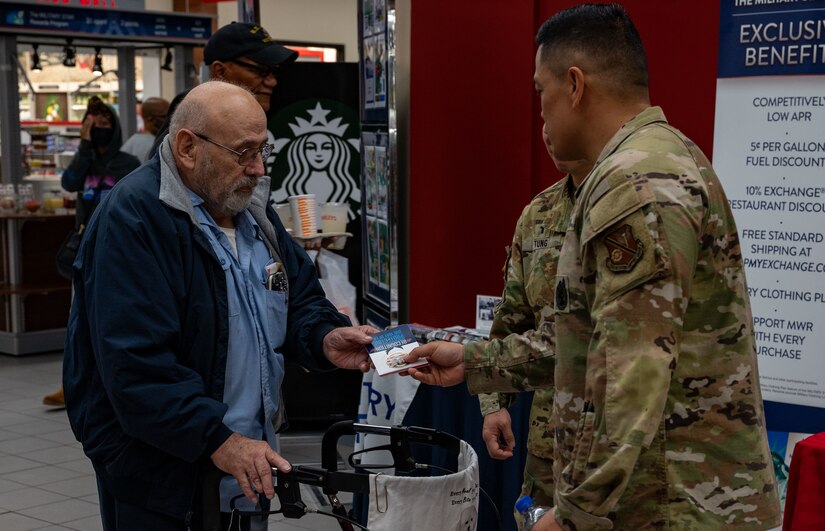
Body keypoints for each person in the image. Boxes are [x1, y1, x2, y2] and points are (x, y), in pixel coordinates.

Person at [406, 4, 781, 530]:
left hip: (672, 506)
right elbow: (587, 342)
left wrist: (578, 513)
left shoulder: (636, 182)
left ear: (575, 85)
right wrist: (472, 362)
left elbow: (632, 371)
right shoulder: (645, 164)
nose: (541, 111)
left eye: (542, 92)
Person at [63, 81, 376, 531]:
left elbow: (298, 298)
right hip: (163, 478)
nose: (256, 168)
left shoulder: (251, 211)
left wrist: (325, 335)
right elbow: (137, 365)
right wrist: (218, 439)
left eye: (262, 151)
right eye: (243, 152)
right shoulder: (133, 219)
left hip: (243, 466)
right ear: (188, 147)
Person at [474, 125, 590, 524]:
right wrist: (495, 404)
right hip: (549, 447)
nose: (548, 132)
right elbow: (512, 319)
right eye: (541, 119)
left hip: (616, 447)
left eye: (553, 109)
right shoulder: (539, 213)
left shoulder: (632, 206)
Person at [42, 98, 141, 408]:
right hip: (84, 250)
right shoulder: (84, 162)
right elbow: (68, 183)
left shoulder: (126, 163)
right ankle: (73, 382)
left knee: (112, 318)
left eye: (104, 125)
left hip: (116, 250)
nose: (99, 130)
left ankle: (112, 381)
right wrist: (84, 146)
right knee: (78, 318)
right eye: (92, 125)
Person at [151, 21, 299, 155]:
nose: (272, 82)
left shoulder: (254, 114)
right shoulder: (193, 110)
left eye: (274, 71)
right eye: (259, 71)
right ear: (220, 71)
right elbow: (158, 177)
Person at [120, 96, 170, 162]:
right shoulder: (158, 145)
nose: (170, 119)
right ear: (151, 119)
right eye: (165, 116)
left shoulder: (131, 142)